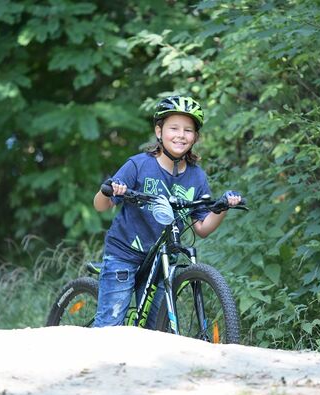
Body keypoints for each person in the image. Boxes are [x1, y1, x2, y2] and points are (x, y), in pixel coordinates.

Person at [92, 95, 241, 328]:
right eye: (174, 128)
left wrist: (222, 208)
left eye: (188, 130)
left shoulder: (196, 176)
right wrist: (109, 191)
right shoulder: (139, 165)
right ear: (159, 131)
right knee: (109, 326)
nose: (181, 135)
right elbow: (101, 206)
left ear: (195, 137)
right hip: (125, 252)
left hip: (163, 260)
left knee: (156, 330)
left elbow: (202, 228)